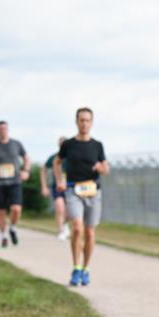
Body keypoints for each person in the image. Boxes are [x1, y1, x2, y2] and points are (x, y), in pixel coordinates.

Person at [55, 108, 108, 286]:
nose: (84, 123)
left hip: (93, 192)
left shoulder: (97, 145)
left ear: (92, 122)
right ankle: (76, 267)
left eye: (87, 120)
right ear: (76, 122)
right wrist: (59, 180)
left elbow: (106, 169)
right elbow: (57, 162)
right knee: (77, 228)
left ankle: (86, 269)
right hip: (73, 191)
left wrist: (101, 168)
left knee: (90, 232)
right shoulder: (69, 144)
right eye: (81, 120)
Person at [0, 121, 29, 248]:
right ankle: (3, 236)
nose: (3, 130)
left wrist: (26, 171)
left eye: (5, 128)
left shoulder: (16, 144)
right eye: (0, 128)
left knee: (16, 209)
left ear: (8, 129)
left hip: (15, 182)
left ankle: (12, 228)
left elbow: (26, 158)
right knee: (1, 211)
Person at [42, 136, 70, 240]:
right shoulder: (54, 157)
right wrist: (44, 186)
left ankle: (65, 223)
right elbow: (43, 169)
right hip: (57, 186)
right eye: (60, 144)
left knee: (70, 211)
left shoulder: (72, 157)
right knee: (59, 206)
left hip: (70, 186)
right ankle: (61, 231)